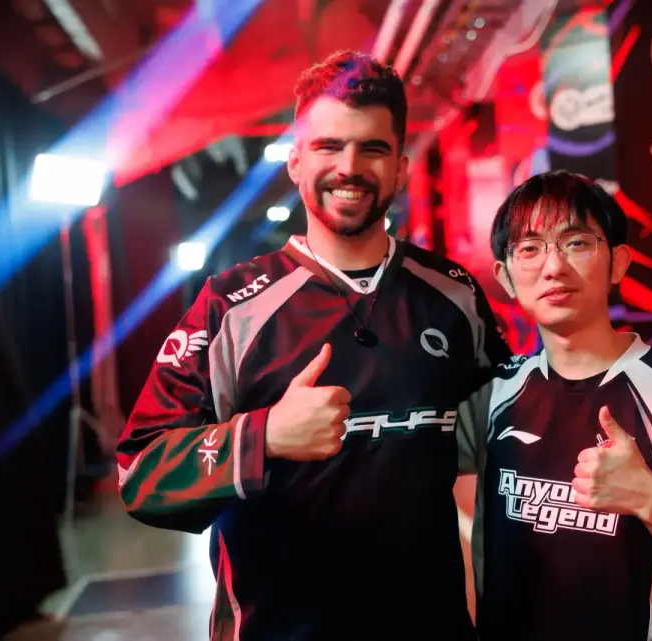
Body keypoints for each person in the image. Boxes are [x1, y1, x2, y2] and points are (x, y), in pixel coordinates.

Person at [115, 50, 513, 640]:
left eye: (372, 149)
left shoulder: (453, 295)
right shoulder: (230, 306)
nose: (349, 167)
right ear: (296, 161)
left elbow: (520, 421)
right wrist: (265, 436)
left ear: (400, 168)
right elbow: (141, 474)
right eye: (329, 146)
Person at [456, 170, 652, 641]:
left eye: (576, 243)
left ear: (618, 262)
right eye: (530, 248)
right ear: (505, 276)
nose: (553, 266)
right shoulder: (488, 395)